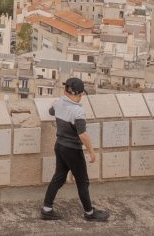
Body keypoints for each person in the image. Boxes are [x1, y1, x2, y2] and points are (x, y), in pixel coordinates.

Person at [40, 78, 110, 222]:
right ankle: (89, 213)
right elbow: (82, 134)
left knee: (59, 178)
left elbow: (51, 112)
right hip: (72, 150)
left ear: (66, 90)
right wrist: (91, 151)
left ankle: (47, 209)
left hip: (59, 146)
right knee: (83, 181)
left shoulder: (58, 102)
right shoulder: (78, 112)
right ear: (80, 94)